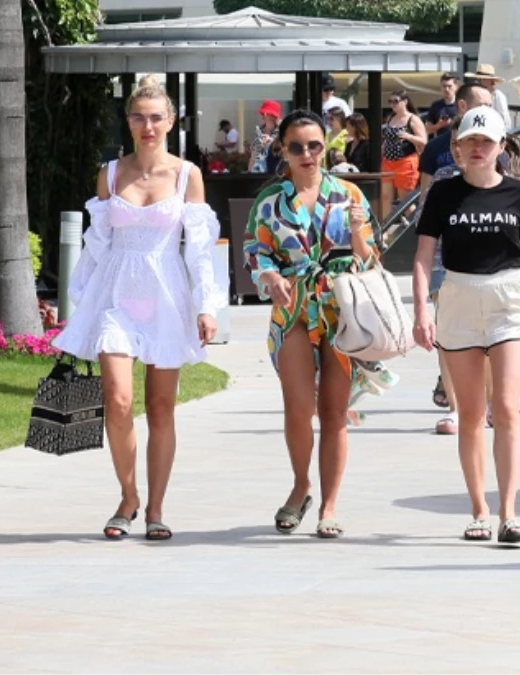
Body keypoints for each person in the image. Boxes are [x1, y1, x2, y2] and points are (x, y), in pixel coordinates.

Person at [51, 84, 225, 542]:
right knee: (119, 400)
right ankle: (127, 496)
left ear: (171, 122)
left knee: (162, 407)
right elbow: (95, 245)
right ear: (127, 122)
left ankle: (156, 508)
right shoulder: (109, 175)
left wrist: (206, 306)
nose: (147, 127)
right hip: (116, 295)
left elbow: (200, 251)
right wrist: (78, 301)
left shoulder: (187, 175)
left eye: (155, 118)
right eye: (138, 117)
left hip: (167, 296)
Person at [413, 106, 520, 543]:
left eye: (486, 141)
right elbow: (423, 257)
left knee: (507, 408)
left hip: (510, 300)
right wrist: (422, 309)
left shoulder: (519, 193)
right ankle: (479, 509)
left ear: (501, 147)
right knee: (472, 414)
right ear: (457, 148)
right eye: (469, 141)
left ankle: (509, 514)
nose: (478, 148)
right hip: (458, 297)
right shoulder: (443, 195)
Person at [242, 109, 387, 539]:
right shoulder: (271, 201)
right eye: (296, 147)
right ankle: (301, 484)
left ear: (326, 147)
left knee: (334, 412)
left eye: (314, 145)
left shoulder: (348, 195)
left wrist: (360, 236)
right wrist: (267, 276)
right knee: (299, 408)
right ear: (282, 151)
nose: (306, 154)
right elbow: (255, 250)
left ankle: (329, 504)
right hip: (292, 309)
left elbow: (370, 259)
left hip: (342, 310)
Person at [417, 82, 496, 434]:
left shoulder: (499, 171)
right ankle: (454, 405)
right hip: (444, 268)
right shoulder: (441, 175)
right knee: (448, 338)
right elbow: (425, 215)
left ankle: (489, 403)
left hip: (489, 272)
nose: (472, 148)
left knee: (489, 341)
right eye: (463, 142)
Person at [379, 90, 427, 220]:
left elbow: (424, 141)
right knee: (385, 197)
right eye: (390, 102)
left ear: (405, 102)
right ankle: (385, 230)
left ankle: (415, 225)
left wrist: (408, 136)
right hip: (388, 161)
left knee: (404, 199)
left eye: (395, 101)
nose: (392, 105)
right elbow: (387, 138)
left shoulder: (413, 119)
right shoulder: (390, 118)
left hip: (405, 161)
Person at [249, 100, 282, 174]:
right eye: (262, 113)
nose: (263, 115)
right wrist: (250, 171)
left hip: (274, 172)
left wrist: (272, 142)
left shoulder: (282, 131)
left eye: (265, 113)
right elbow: (254, 155)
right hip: (258, 173)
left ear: (273, 116)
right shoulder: (259, 131)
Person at [423, 73, 459, 138]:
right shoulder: (436, 106)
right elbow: (427, 129)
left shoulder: (461, 105)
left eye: (449, 86)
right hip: (441, 144)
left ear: (456, 87)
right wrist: (439, 125)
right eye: (444, 86)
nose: (447, 89)